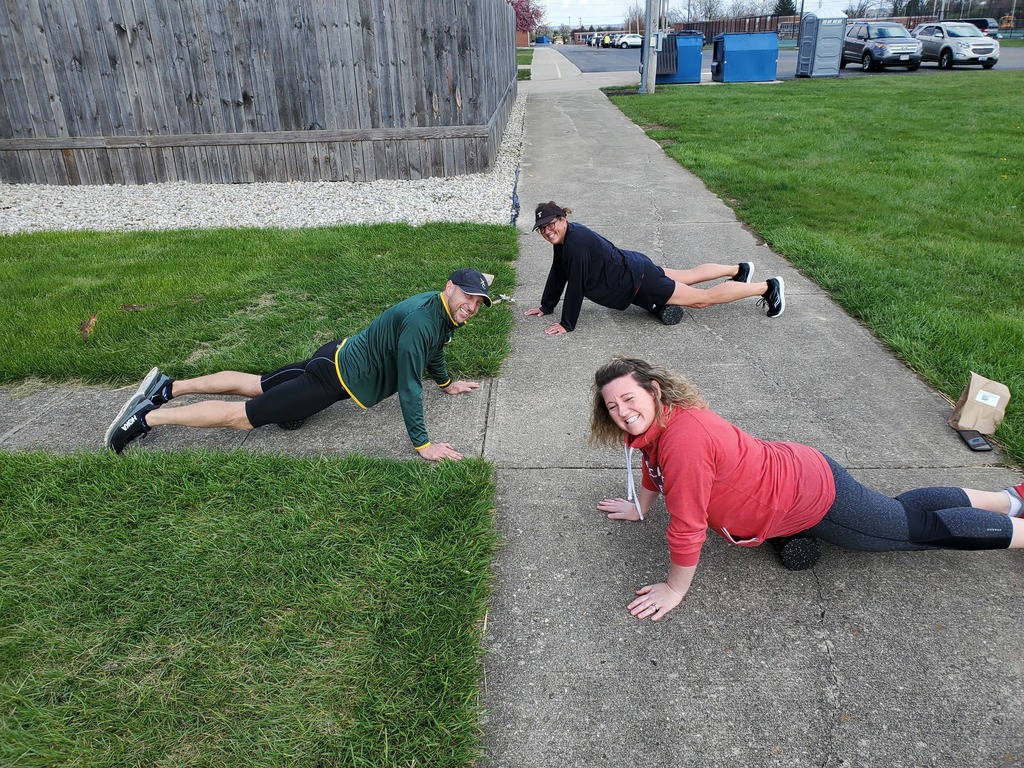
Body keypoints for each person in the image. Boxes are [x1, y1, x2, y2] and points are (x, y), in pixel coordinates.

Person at [590, 356, 1024, 622]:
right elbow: (653, 468)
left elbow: (687, 525)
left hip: (812, 498)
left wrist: (675, 588)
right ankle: (1012, 499)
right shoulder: (661, 426)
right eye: (613, 406)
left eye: (629, 399)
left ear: (654, 390)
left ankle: (1015, 523)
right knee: (902, 514)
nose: (623, 412)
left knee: (916, 532)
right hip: (803, 474)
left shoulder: (685, 440)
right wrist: (641, 506)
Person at [105, 268, 493, 462]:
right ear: (449, 287)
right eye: (468, 298)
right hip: (329, 382)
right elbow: (409, 386)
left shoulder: (439, 313)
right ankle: (146, 418)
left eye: (478, 303)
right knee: (243, 417)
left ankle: (168, 387)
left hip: (333, 355)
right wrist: (423, 444)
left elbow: (435, 349)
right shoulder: (422, 324)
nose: (472, 307)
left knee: (258, 383)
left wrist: (445, 384)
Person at [525, 202, 785, 335]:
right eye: (543, 229)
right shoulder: (568, 237)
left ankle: (767, 288)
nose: (548, 232)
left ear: (563, 219)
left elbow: (577, 283)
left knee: (701, 300)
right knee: (690, 276)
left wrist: (567, 323)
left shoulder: (576, 244)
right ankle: (738, 270)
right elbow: (559, 271)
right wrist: (547, 305)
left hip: (638, 281)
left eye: (552, 225)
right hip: (636, 266)